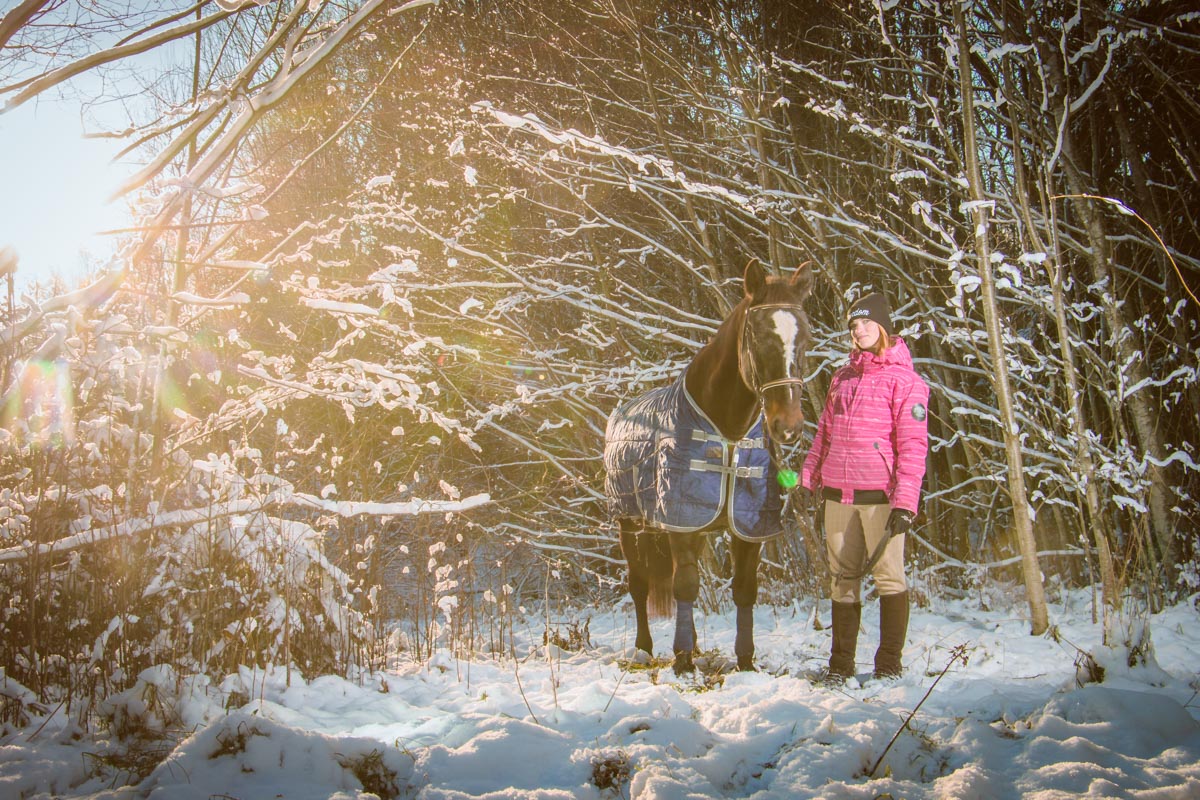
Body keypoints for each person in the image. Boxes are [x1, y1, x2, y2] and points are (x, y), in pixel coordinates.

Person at [801, 291, 929, 683]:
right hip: (838, 496)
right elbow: (824, 434)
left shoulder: (906, 382)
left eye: (866, 323)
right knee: (842, 581)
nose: (859, 331)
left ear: (884, 326)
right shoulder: (842, 377)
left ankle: (889, 665)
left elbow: (913, 446)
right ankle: (840, 666)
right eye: (854, 326)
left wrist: (906, 502)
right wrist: (808, 479)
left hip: (882, 500)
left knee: (890, 578)